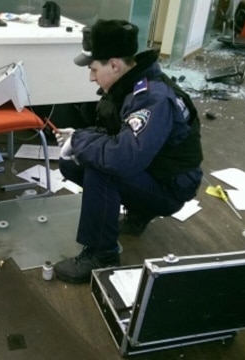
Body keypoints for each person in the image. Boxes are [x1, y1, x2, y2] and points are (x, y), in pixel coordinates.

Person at [53, 19, 203, 284]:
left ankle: (103, 254)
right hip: (153, 170)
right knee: (71, 163)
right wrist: (78, 137)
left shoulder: (153, 98)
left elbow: (122, 158)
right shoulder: (129, 85)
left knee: (103, 169)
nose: (91, 77)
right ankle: (138, 212)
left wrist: (80, 140)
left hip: (171, 188)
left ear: (114, 64)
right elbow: (118, 136)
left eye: (93, 69)